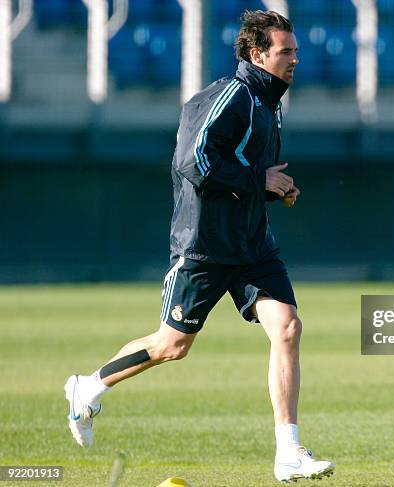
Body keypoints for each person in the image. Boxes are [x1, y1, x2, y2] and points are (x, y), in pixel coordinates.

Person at [64, 9, 334, 483]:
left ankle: (288, 453)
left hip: (252, 246)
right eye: (286, 51)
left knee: (287, 328)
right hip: (204, 247)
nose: (296, 58)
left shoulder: (268, 101)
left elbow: (248, 174)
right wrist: (258, 179)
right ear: (258, 54)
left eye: (295, 50)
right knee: (172, 346)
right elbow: (193, 160)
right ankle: (87, 388)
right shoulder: (229, 96)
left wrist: (276, 187)